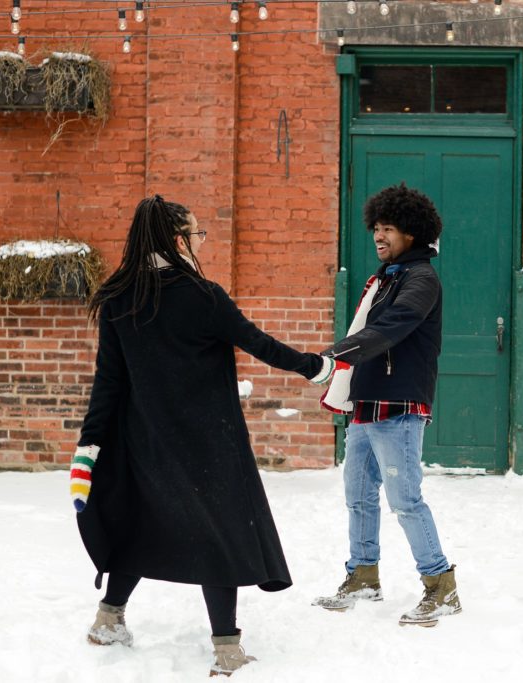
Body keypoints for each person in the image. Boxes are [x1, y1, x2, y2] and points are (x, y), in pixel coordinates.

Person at [70, 195, 334, 676]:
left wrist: (88, 450)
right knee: (220, 534)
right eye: (196, 234)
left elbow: (107, 381)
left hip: (144, 441)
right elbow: (260, 344)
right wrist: (316, 367)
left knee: (139, 523)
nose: (200, 243)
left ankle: (108, 620)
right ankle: (227, 650)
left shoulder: (117, 298)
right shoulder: (203, 296)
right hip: (209, 442)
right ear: (177, 240)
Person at [313, 183, 461, 627]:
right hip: (367, 402)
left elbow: (396, 325)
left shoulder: (421, 279)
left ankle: (441, 586)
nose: (379, 236)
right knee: (358, 496)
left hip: (399, 405)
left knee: (405, 499)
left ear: (412, 233)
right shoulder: (386, 278)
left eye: (389, 228)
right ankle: (363, 577)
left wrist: (336, 354)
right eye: (376, 228)